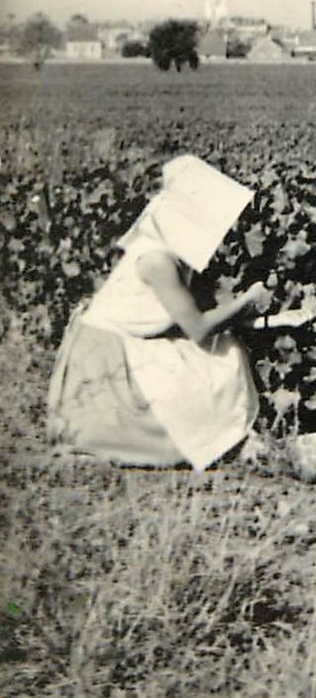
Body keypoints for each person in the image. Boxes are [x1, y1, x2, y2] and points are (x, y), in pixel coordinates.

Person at [46, 156, 273, 470]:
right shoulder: (157, 261)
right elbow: (198, 329)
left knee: (215, 359)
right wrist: (247, 302)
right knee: (219, 359)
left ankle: (225, 438)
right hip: (106, 357)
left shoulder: (162, 248)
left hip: (122, 343)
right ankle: (216, 441)